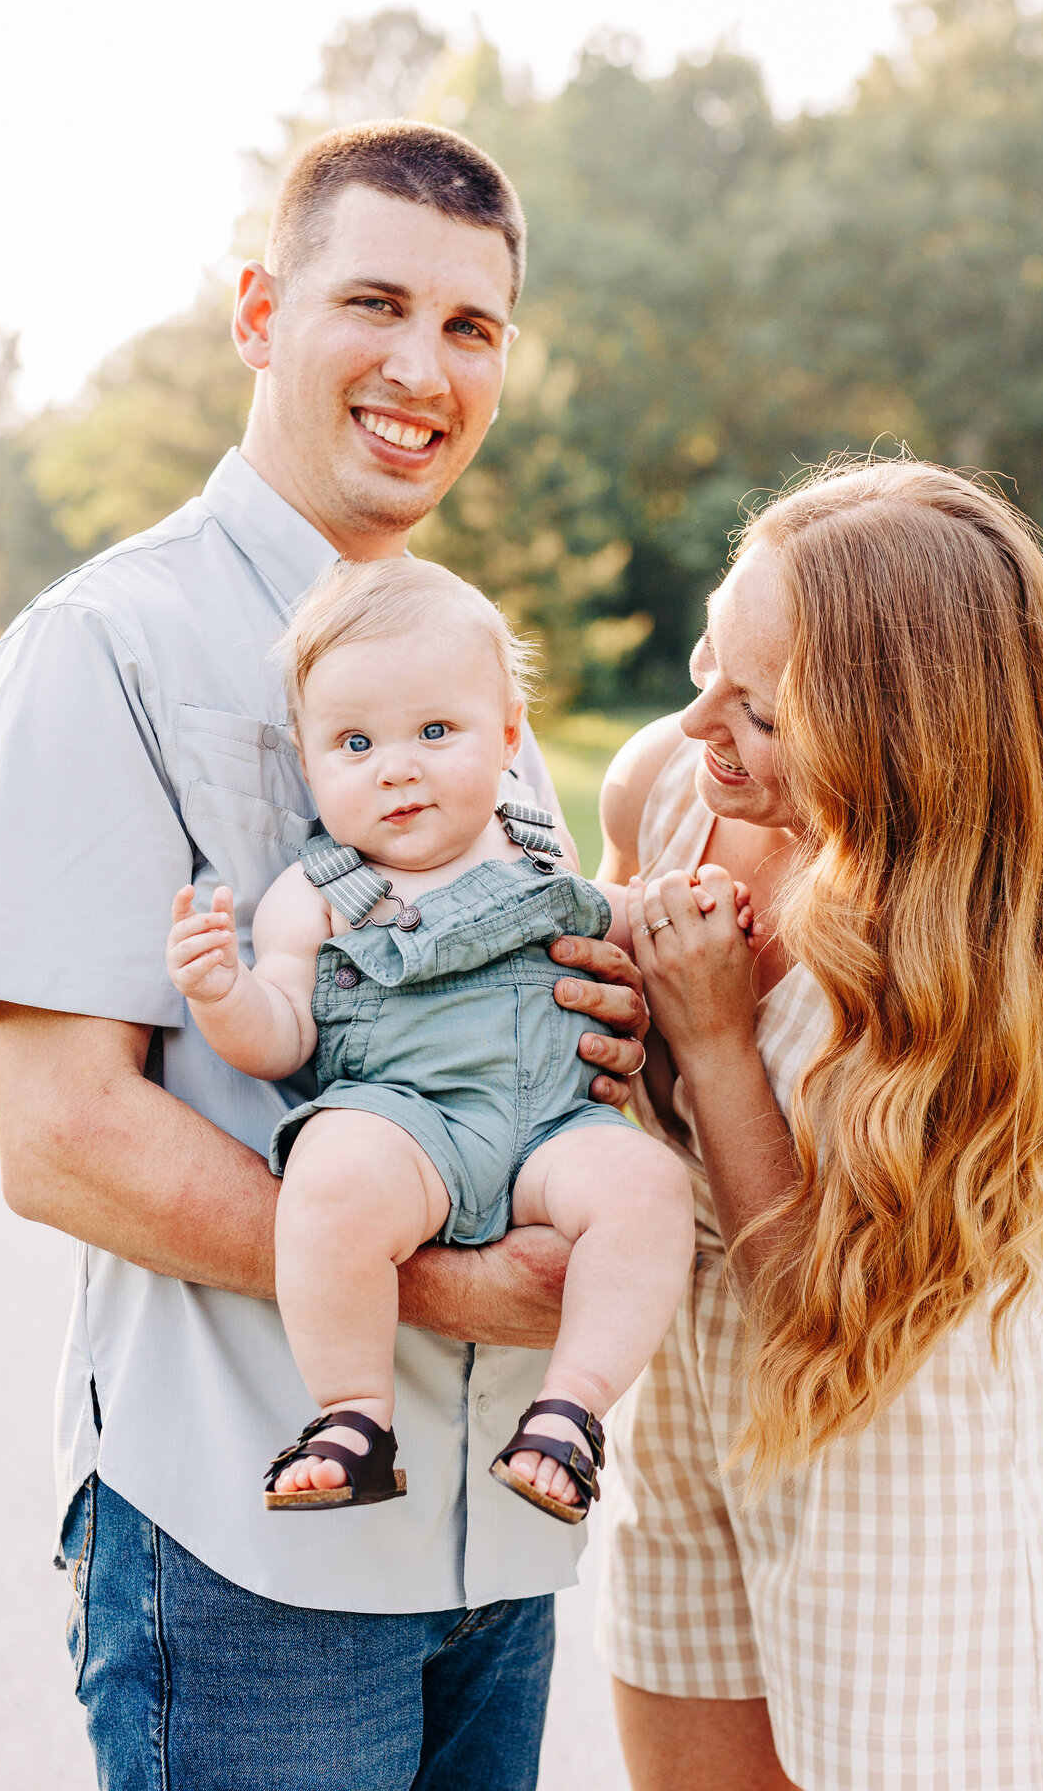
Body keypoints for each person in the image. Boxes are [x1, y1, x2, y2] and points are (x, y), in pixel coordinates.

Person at [0, 122, 649, 1790]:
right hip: (244, 1557)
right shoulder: (106, 648)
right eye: (376, 304)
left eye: (473, 328)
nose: (424, 369)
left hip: (500, 1558)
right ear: (263, 310)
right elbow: (64, 1145)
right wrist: (454, 1286)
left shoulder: (476, 671)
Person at [595, 458, 1043, 1791]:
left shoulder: (945, 947)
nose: (699, 719)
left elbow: (814, 1294)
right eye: (709, 657)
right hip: (692, 1376)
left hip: (889, 1415)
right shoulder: (666, 792)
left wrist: (712, 1038)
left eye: (758, 710)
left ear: (897, 744)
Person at [166, 557, 695, 1520]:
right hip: (409, 1125)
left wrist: (666, 915)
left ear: (507, 738)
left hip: (547, 1128)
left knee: (651, 1188)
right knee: (329, 1175)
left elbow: (593, 922)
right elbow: (283, 1031)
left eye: (435, 732)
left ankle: (570, 1413)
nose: (396, 766)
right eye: (355, 742)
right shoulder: (318, 893)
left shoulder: (536, 844)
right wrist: (222, 993)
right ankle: (354, 1418)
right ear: (308, 756)